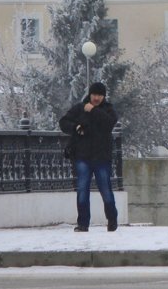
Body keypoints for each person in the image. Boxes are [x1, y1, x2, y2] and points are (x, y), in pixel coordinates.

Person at [59, 81, 119, 232]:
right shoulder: (80, 108)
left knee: (106, 190)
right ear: (90, 94)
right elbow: (63, 122)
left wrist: (93, 111)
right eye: (94, 94)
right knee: (82, 190)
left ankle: (112, 220)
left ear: (104, 97)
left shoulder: (108, 109)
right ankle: (83, 224)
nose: (96, 98)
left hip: (102, 157)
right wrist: (76, 127)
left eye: (100, 95)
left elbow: (109, 123)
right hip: (83, 156)